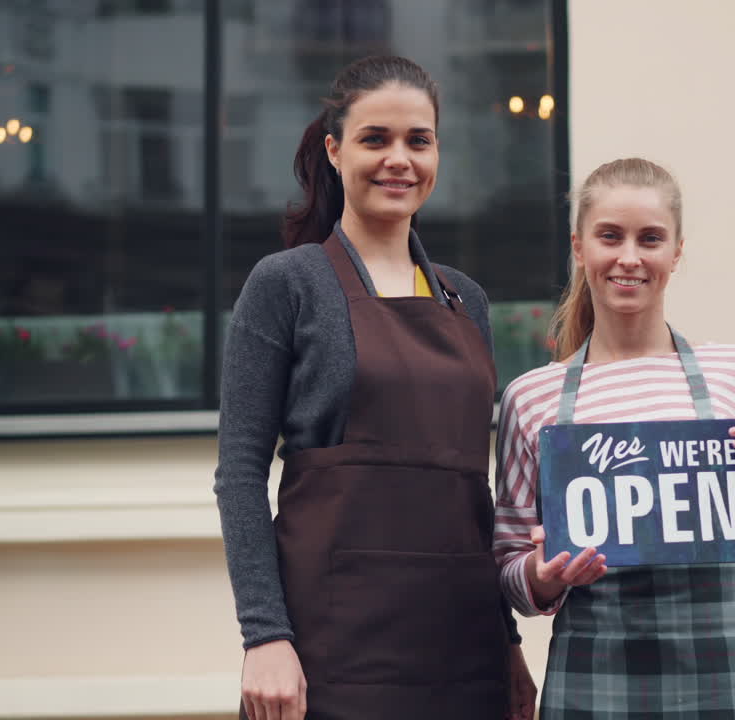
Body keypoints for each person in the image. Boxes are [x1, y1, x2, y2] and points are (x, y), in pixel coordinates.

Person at [214, 56, 534, 720]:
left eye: (418, 140)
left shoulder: (465, 299)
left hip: (464, 647)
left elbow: (475, 494)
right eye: (375, 139)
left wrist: (508, 642)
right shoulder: (285, 285)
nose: (400, 159)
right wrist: (264, 636)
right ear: (334, 151)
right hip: (332, 648)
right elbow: (240, 473)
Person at [494, 158, 735, 718]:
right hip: (595, 678)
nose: (630, 257)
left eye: (650, 239)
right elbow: (508, 570)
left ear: (676, 253)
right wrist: (543, 574)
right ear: (579, 248)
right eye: (610, 236)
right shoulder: (531, 399)